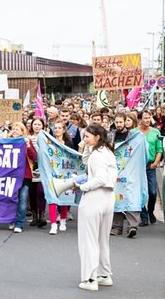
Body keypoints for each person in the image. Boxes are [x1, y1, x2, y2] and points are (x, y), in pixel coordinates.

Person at [75, 123, 117, 291]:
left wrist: (81, 187)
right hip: (108, 198)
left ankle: (90, 278)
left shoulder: (98, 155)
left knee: (89, 240)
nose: (84, 139)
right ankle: (104, 274)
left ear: (97, 137)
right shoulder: (106, 151)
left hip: (95, 197)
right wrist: (86, 146)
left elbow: (100, 178)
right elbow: (86, 162)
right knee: (102, 240)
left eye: (87, 136)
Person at [107, 112, 137, 238]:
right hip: (115, 171)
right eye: (117, 122)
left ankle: (132, 226)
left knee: (130, 196)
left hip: (130, 171)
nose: (119, 125)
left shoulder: (133, 136)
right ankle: (116, 227)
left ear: (125, 122)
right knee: (117, 197)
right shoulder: (110, 135)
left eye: (121, 122)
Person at [131, 110, 163, 226]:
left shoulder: (156, 132)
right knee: (139, 192)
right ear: (139, 120)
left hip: (150, 165)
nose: (148, 120)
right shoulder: (133, 132)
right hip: (137, 166)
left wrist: (155, 162)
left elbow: (159, 149)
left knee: (152, 192)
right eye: (145, 118)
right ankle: (144, 216)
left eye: (149, 118)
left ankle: (150, 211)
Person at [8, 122, 37, 233]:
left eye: (18, 129)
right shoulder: (7, 141)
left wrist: (28, 146)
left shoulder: (26, 141)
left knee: (23, 198)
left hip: (25, 175)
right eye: (13, 129)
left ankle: (19, 223)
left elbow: (34, 157)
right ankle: (11, 219)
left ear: (22, 131)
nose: (15, 131)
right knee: (11, 199)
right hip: (11, 175)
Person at [49, 121, 72, 235]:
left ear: (63, 130)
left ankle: (63, 220)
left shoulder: (68, 143)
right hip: (52, 173)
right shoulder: (49, 142)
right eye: (55, 128)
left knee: (63, 199)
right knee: (52, 198)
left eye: (59, 128)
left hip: (64, 174)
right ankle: (53, 224)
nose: (57, 130)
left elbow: (72, 157)